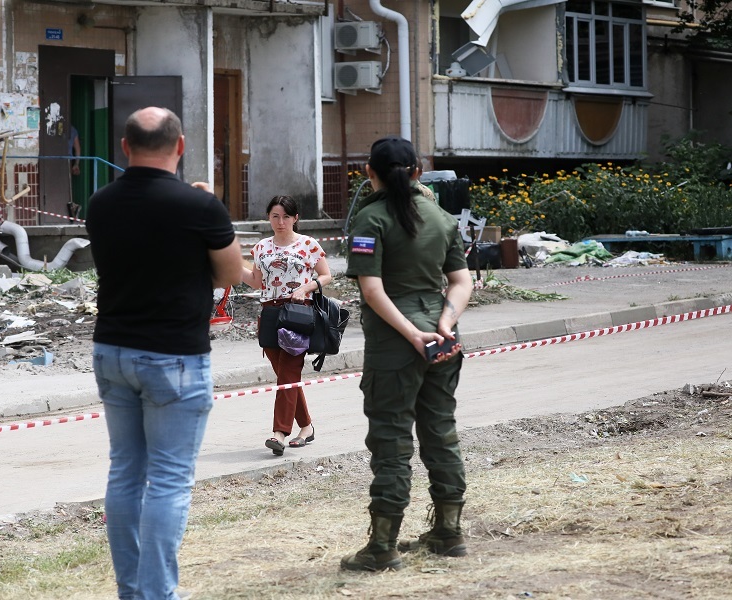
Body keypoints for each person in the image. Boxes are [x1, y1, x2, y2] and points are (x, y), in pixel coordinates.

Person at [85, 106, 243, 600]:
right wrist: (208, 210)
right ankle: (157, 595)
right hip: (175, 355)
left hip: (112, 348)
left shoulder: (100, 203)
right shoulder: (201, 208)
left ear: (125, 148)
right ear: (180, 147)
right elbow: (230, 276)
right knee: (170, 481)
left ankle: (133, 592)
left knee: (125, 472)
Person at [340, 136, 473, 572]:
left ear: (368, 172)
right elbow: (461, 281)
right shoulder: (440, 217)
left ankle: (382, 546)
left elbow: (372, 290)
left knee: (392, 440)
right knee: (440, 430)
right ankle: (449, 531)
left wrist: (411, 334)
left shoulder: (369, 219)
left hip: (396, 345)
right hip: (442, 341)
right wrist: (443, 325)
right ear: (418, 170)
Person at [241, 195, 332, 456]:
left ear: (295, 219)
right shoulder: (260, 248)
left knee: (289, 372)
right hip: (269, 314)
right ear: (268, 217)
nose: (280, 222)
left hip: (297, 314)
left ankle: (279, 433)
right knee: (286, 376)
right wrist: (234, 266)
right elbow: (257, 282)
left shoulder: (308, 244)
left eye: (286, 217)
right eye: (275, 216)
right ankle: (306, 427)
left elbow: (326, 275)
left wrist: (307, 287)